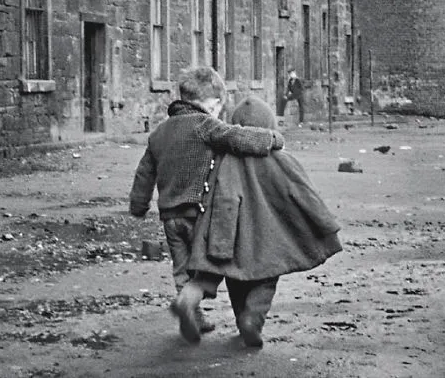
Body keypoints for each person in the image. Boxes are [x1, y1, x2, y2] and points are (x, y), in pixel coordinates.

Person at [128, 67, 285, 341]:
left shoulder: (159, 133)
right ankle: (213, 310)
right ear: (211, 102)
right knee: (210, 267)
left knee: (182, 268)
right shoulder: (205, 125)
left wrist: (139, 205)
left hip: (169, 216)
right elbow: (238, 137)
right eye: (218, 106)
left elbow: (144, 172)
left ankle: (192, 313)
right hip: (200, 212)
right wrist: (272, 139)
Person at [182, 95, 342, 347]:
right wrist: (325, 222)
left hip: (231, 233)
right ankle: (252, 319)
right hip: (269, 236)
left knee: (232, 276)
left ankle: (213, 309)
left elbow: (209, 190)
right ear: (270, 125)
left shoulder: (225, 158)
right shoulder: (280, 159)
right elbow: (302, 192)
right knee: (266, 280)